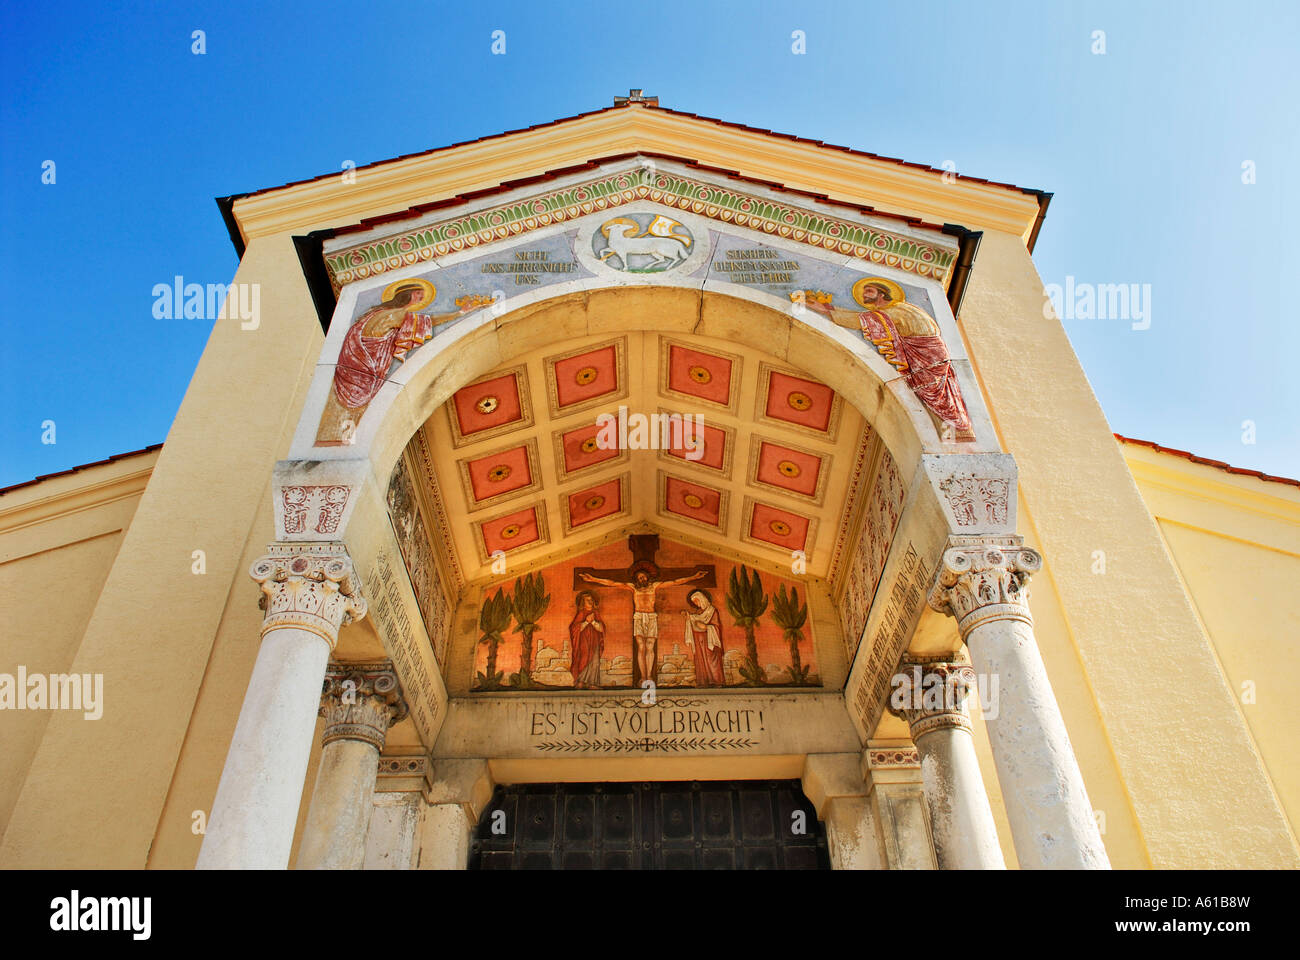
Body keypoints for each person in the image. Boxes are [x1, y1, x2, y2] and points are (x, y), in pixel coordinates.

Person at [802, 278, 974, 441]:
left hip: (928, 358)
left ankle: (954, 435)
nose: (864, 295)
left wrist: (824, 310)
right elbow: (864, 317)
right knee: (937, 400)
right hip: (927, 356)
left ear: (882, 293)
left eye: (868, 291)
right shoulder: (893, 310)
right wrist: (830, 308)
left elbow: (861, 320)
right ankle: (953, 434)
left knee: (937, 399)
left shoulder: (897, 311)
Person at [579, 563, 706, 684]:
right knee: (641, 646)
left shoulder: (654, 586)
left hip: (651, 617)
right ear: (636, 579)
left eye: (643, 576)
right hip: (639, 617)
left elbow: (675, 582)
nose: (642, 578)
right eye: (639, 577)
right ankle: (643, 676)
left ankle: (649, 676)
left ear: (647, 577)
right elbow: (613, 583)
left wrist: (694, 577)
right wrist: (593, 579)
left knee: (650, 646)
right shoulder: (633, 588)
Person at [683, 589, 725, 686]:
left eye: (697, 601)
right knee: (700, 661)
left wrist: (706, 627)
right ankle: (704, 682)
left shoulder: (712, 611)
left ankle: (717, 682)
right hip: (698, 640)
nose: (696, 604)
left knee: (712, 660)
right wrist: (687, 616)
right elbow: (693, 619)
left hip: (710, 641)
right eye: (694, 602)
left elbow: (717, 627)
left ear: (702, 599)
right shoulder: (698, 612)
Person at [568, 591, 605, 688]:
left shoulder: (596, 613)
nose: (591, 602)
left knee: (594, 661)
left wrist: (593, 623)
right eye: (588, 600)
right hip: (583, 642)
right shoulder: (581, 613)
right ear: (582, 602)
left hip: (595, 642)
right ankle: (580, 681)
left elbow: (602, 628)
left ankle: (592, 683)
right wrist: (585, 622)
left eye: (592, 600)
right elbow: (573, 628)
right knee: (583, 659)